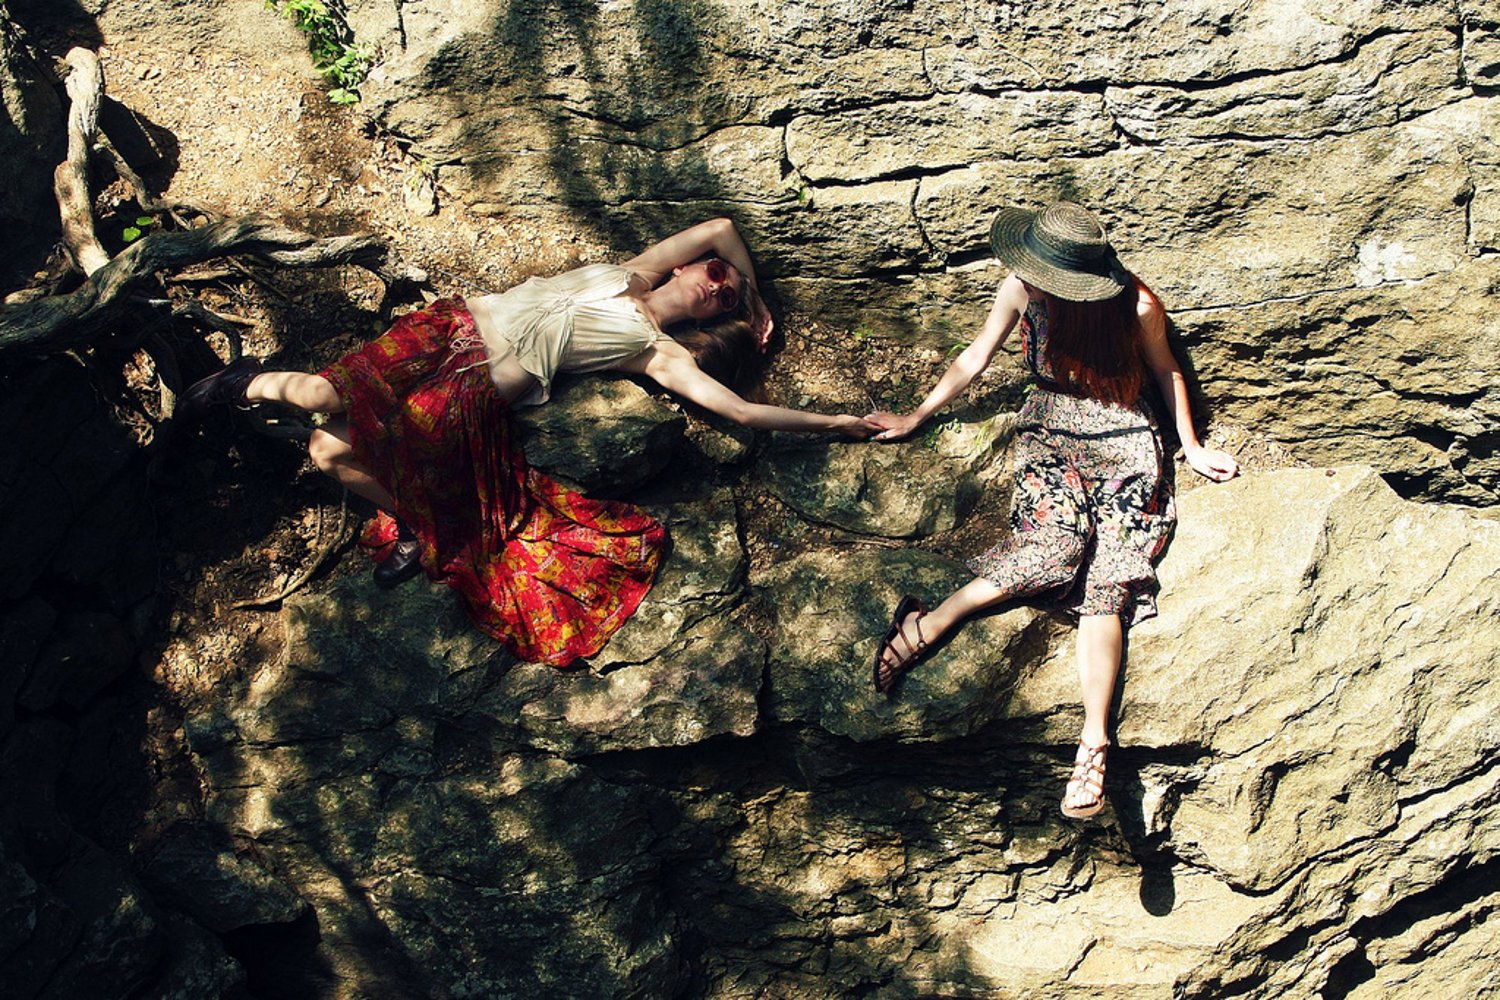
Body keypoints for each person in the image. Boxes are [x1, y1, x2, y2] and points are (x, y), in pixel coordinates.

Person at [181, 218, 878, 666]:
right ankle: (239, 384)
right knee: (325, 395)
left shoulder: (660, 353)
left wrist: (839, 424)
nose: (715, 285)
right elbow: (722, 227)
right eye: (715, 274)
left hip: (468, 393)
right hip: (447, 330)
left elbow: (743, 413)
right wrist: (756, 297)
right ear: (685, 265)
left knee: (326, 452)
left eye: (725, 298)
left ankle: (412, 526)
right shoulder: (634, 269)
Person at [866, 202, 1238, 819]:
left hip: (1123, 441)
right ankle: (927, 624)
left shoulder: (1136, 305)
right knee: (1053, 549)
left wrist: (1191, 447)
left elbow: (1167, 370)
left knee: (1111, 576)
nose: (1026, 275)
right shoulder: (1019, 289)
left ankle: (1094, 740)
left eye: (1041, 271)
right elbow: (974, 356)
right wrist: (917, 414)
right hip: (1051, 435)